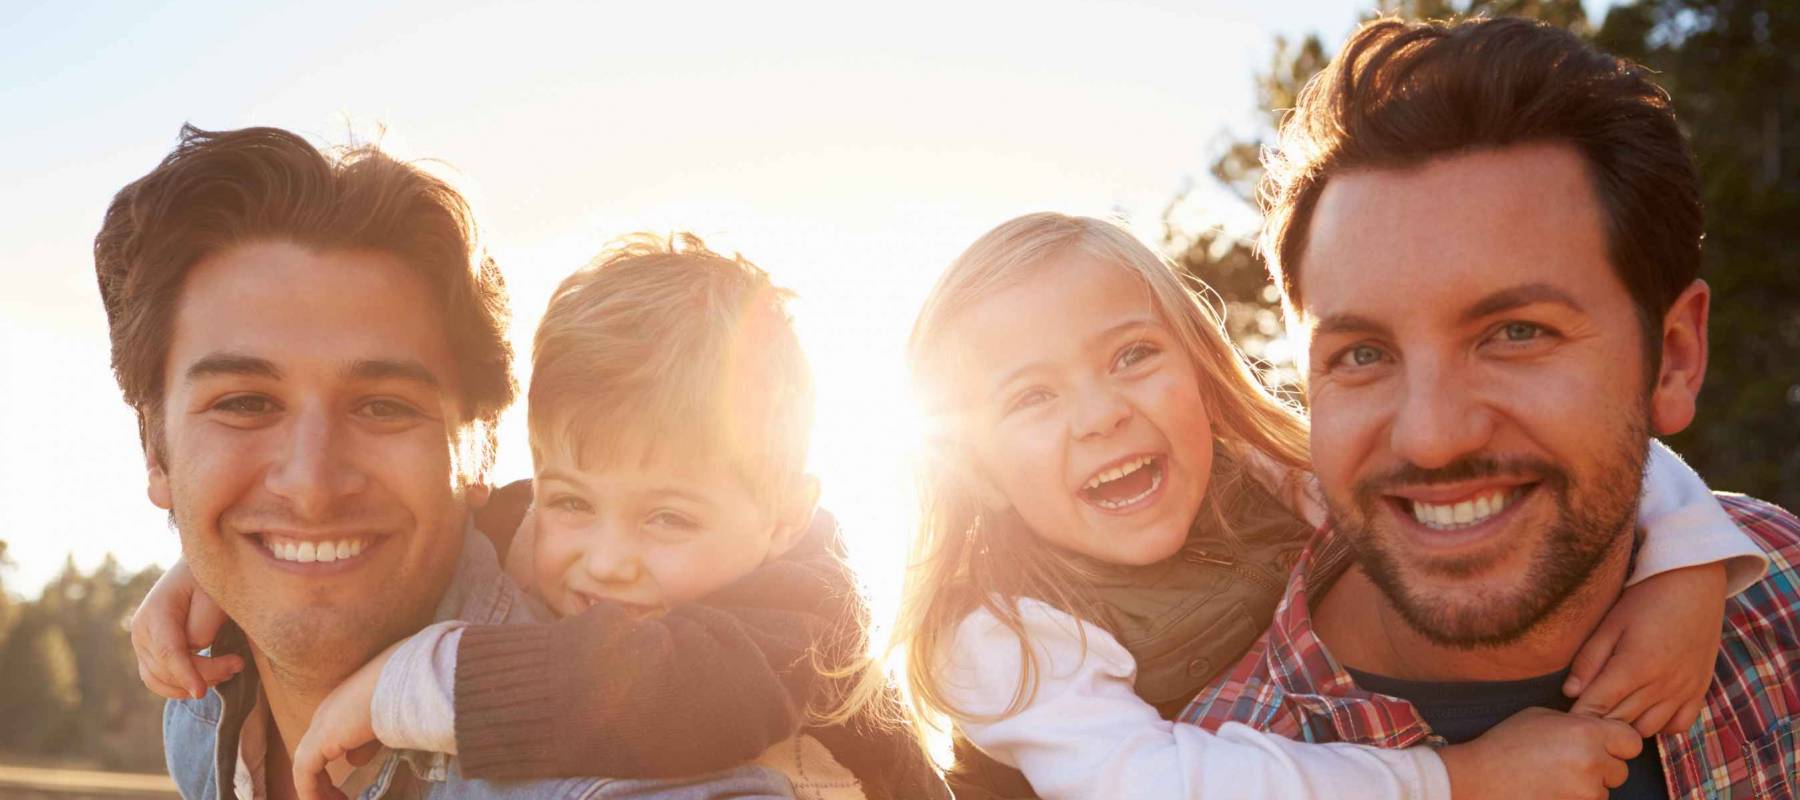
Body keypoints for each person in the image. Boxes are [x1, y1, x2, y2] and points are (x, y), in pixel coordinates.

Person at [886, 212, 1766, 799]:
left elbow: (1552, 457)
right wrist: (1460, 780)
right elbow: (1159, 785)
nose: (1102, 413)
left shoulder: (1268, 478)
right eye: (1031, 399)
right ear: (977, 469)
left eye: (1130, 357)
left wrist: (1686, 567)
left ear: (1199, 370)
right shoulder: (995, 635)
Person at [1181, 17, 1798, 800]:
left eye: (1516, 333)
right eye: (1362, 354)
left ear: (1673, 358)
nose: (1433, 438)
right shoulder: (1223, 767)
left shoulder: (1781, 593)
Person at [102, 125, 793, 799]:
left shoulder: (629, 761)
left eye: (382, 407)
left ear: (483, 446)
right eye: (246, 403)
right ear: (153, 449)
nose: (311, 485)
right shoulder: (204, 711)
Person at [134, 234, 949, 800]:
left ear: (781, 518)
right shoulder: (541, 533)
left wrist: (409, 686)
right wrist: (215, 566)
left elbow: (665, 687)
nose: (607, 558)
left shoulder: (803, 621)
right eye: (573, 501)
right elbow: (452, 522)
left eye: (667, 519)